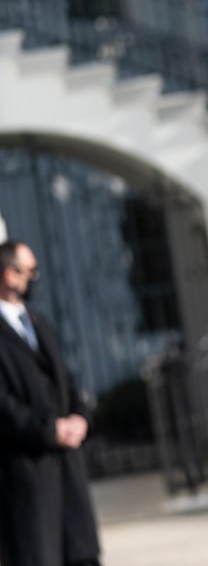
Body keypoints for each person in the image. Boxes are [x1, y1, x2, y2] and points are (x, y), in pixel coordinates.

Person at [0, 240, 102, 566]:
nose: (34, 278)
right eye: (30, 271)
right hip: (27, 476)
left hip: (67, 473)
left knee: (81, 556)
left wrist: (80, 418)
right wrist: (49, 430)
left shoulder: (38, 322)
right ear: (9, 275)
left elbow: (67, 380)